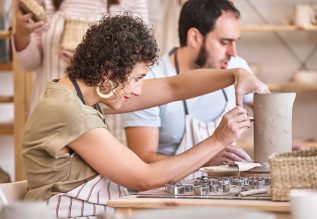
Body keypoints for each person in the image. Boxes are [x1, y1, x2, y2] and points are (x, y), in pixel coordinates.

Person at [22, 14, 269, 217]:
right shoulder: (69, 111)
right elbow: (145, 177)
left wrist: (234, 74)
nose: (139, 89)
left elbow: (174, 87)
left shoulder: (79, 95)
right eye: (137, 78)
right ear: (109, 70)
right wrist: (218, 140)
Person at [122, 0, 253, 166]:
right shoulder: (147, 80)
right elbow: (142, 160)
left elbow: (269, 109)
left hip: (224, 187)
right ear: (194, 37)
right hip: (167, 189)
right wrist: (205, 160)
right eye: (224, 42)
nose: (233, 52)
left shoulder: (236, 67)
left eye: (235, 42)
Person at [12, 0, 148, 143]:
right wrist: (22, 33)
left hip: (102, 112)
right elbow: (29, 64)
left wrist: (90, 62)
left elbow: (139, 59)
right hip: (52, 111)